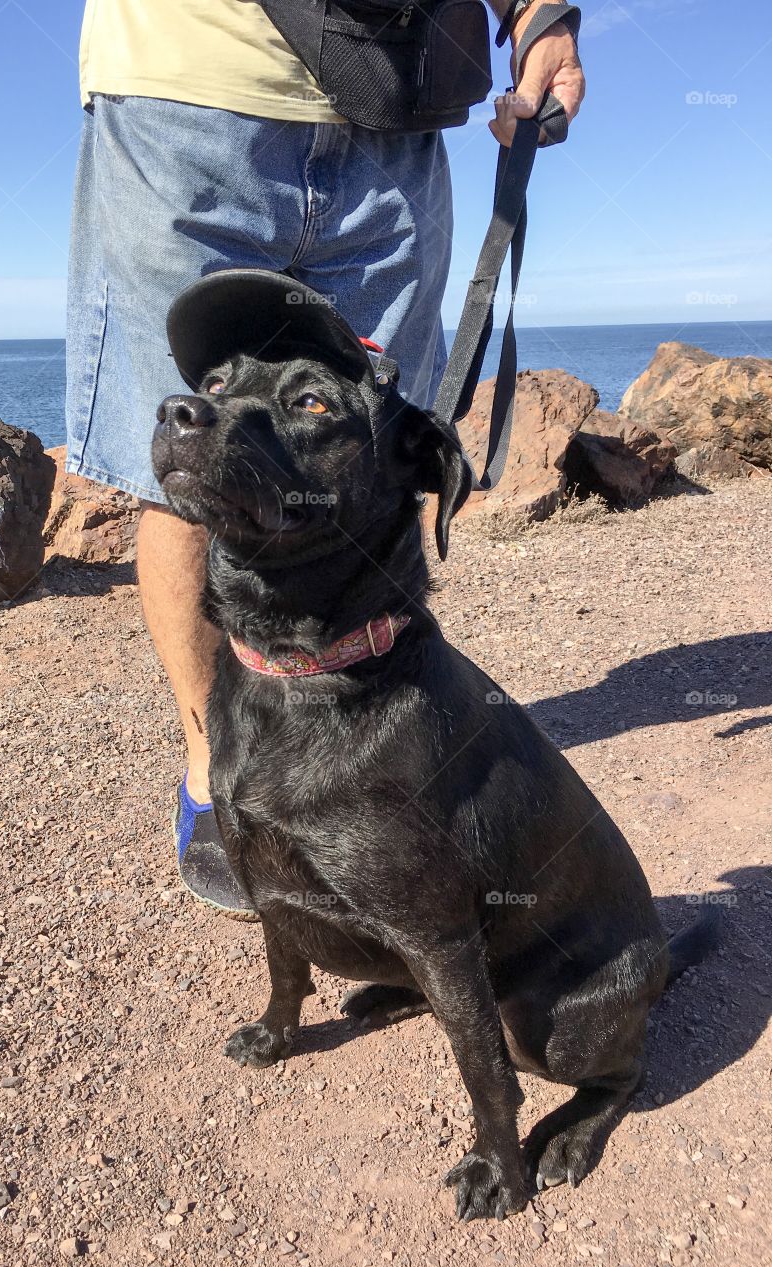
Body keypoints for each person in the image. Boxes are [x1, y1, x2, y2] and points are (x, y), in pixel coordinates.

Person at [65, 0, 585, 916]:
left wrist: (544, 20)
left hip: (398, 119)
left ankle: (365, 763)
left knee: (367, 456)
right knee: (193, 462)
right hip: (186, 93)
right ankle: (214, 765)